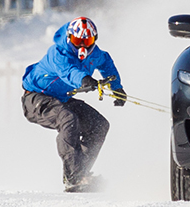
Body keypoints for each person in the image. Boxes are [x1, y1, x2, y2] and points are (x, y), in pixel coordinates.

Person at [21, 17, 126, 192]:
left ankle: (81, 173)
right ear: (70, 38)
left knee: (99, 125)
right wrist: (84, 79)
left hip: (62, 98)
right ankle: (73, 178)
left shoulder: (95, 53)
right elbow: (68, 71)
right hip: (36, 98)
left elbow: (106, 62)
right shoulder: (58, 53)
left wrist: (117, 88)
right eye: (78, 41)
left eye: (88, 41)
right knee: (68, 119)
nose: (82, 47)